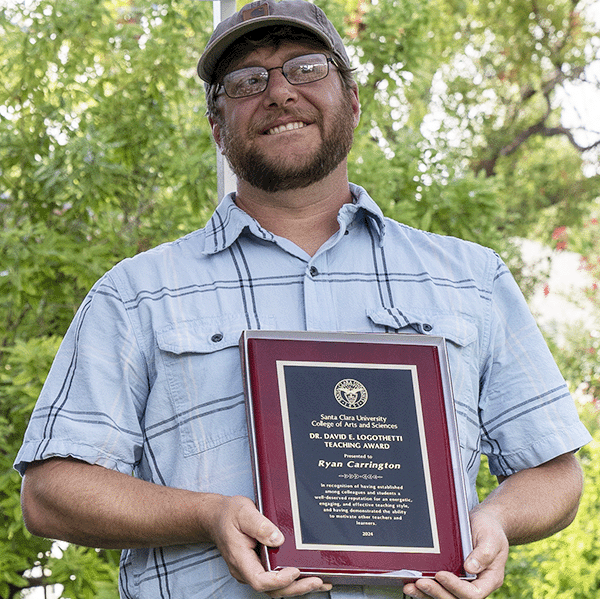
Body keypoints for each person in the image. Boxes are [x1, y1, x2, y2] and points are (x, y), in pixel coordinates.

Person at [15, 1, 591, 598]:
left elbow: (554, 472)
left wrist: (494, 521)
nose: (279, 93)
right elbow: (51, 492)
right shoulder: (135, 296)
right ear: (216, 127)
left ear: (353, 100)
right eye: (246, 81)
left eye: (306, 68)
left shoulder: (471, 278)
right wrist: (206, 515)